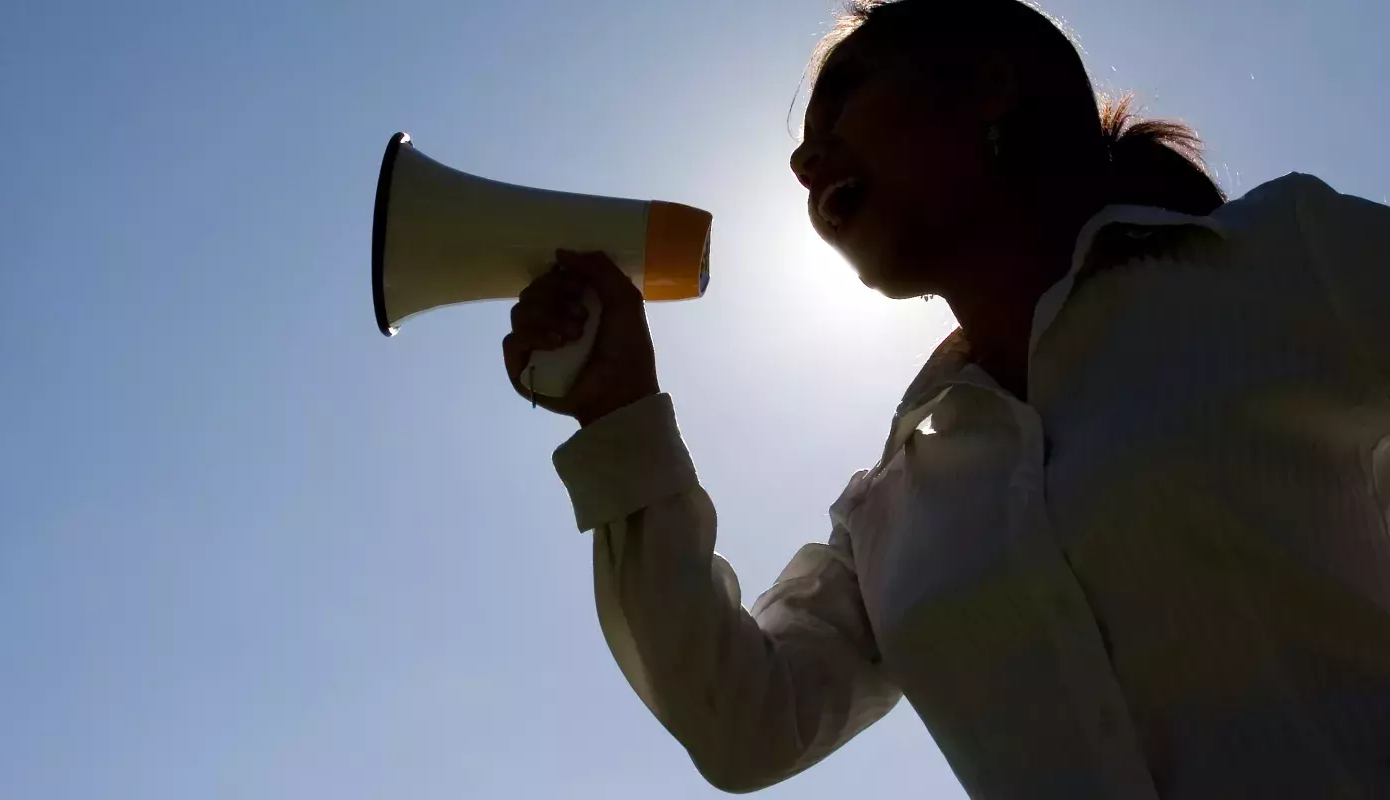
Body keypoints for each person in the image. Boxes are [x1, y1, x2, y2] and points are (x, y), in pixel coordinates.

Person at [500, 0, 1390, 796]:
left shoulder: (1287, 261)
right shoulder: (892, 504)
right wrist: (619, 415)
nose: (806, 161)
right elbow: (746, 725)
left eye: (842, 99)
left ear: (989, 89)